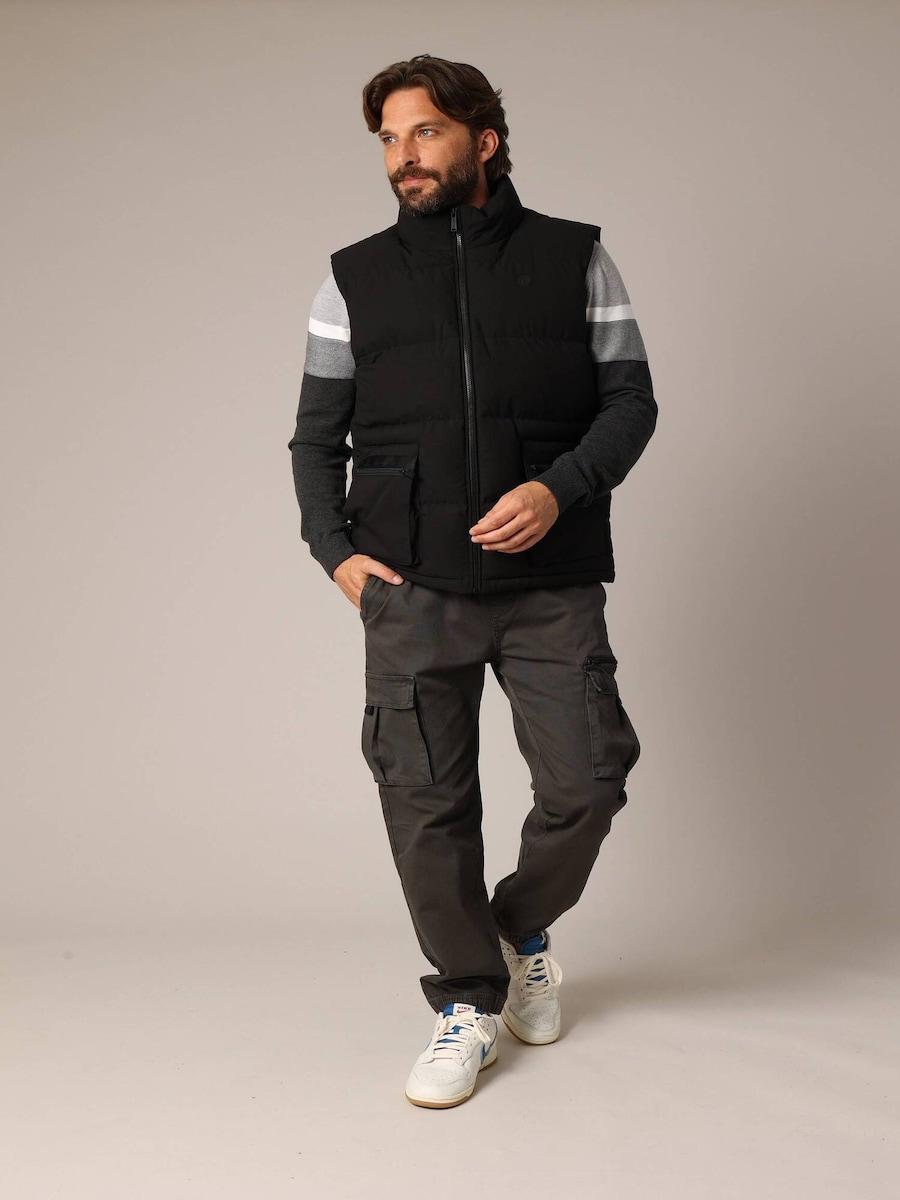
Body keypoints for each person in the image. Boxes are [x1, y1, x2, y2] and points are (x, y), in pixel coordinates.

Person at [287, 53, 657, 1109]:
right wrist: (333, 549)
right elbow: (315, 440)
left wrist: (559, 489)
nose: (403, 157)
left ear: (483, 140)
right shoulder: (352, 279)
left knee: (589, 782)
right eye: (389, 140)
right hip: (410, 585)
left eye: (425, 133)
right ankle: (465, 1000)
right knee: (425, 804)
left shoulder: (576, 259)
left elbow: (631, 404)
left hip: (550, 580)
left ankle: (517, 927)